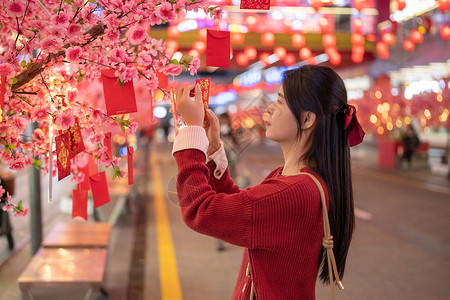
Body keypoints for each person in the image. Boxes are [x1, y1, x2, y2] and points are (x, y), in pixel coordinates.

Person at [172, 65, 365, 299]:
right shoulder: (294, 178)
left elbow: (200, 210)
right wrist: (213, 148)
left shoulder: (293, 191)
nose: (269, 108)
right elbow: (244, 207)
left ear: (307, 119)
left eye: (281, 101)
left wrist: (191, 132)